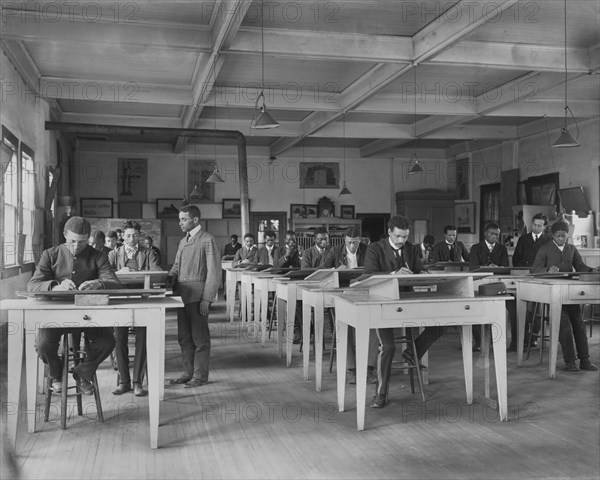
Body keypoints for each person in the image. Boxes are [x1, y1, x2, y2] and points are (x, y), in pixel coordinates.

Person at [27, 216, 120, 396]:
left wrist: (99, 284)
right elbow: (33, 285)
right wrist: (55, 286)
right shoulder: (50, 254)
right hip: (56, 314)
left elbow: (114, 283)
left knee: (107, 342)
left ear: (89, 239)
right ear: (64, 235)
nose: (77, 246)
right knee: (43, 345)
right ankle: (56, 373)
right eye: (72, 241)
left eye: (82, 242)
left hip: (89, 314)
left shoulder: (98, 256)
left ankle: (83, 372)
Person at [364, 215, 442, 408]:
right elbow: (368, 274)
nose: (401, 241)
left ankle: (412, 352)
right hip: (381, 303)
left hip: (406, 301)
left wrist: (422, 272)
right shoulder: (375, 248)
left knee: (440, 323)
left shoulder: (411, 248)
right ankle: (381, 393)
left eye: (405, 237)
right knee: (388, 347)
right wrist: (393, 274)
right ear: (389, 232)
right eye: (398, 236)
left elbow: (417, 269)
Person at [532, 221, 598, 372]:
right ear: (552, 235)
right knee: (564, 324)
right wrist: (548, 270)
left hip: (569, 291)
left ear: (568, 235)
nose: (561, 238)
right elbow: (535, 269)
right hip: (554, 292)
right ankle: (570, 361)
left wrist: (592, 270)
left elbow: (580, 266)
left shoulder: (572, 249)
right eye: (557, 236)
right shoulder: (544, 249)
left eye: (563, 236)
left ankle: (585, 359)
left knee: (579, 324)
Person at [167, 205, 221, 388]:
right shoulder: (183, 241)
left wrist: (207, 298)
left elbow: (214, 272)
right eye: (180, 219)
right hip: (182, 296)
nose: (180, 223)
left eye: (184, 219)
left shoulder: (208, 240)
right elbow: (176, 265)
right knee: (184, 338)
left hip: (198, 297)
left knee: (200, 338)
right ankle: (189, 372)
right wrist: (169, 277)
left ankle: (200, 375)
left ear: (195, 220)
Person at [108, 221, 161, 396]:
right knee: (118, 337)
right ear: (122, 236)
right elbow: (105, 276)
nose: (132, 239)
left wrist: (141, 274)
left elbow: (155, 273)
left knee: (143, 337)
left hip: (142, 300)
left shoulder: (148, 253)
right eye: (128, 235)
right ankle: (124, 381)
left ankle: (138, 382)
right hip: (120, 300)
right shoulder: (114, 254)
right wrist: (119, 274)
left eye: (135, 235)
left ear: (140, 236)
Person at [319, 226, 377, 384]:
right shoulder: (335, 251)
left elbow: (376, 270)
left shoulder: (368, 249)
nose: (353, 246)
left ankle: (370, 367)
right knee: (345, 326)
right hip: (343, 293)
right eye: (350, 243)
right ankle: (352, 369)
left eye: (356, 243)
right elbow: (321, 270)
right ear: (344, 240)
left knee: (372, 325)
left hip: (364, 292)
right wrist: (335, 270)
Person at [469, 222, 516, 351]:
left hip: (498, 285)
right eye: (492, 234)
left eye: (497, 235)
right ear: (485, 234)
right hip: (480, 284)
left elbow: (506, 269)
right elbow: (472, 268)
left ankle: (514, 342)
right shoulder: (476, 248)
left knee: (513, 306)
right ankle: (479, 341)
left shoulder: (502, 249)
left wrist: (498, 268)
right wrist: (485, 268)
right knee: (475, 307)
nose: (494, 237)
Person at [512, 213, 552, 347]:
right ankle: (523, 336)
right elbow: (516, 259)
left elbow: (549, 260)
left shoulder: (548, 240)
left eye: (539, 225)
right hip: (524, 276)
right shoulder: (523, 239)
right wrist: (522, 271)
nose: (536, 227)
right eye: (534, 224)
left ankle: (534, 336)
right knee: (522, 306)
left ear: (545, 227)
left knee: (536, 308)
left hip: (540, 277)